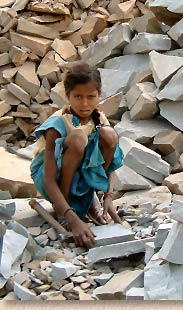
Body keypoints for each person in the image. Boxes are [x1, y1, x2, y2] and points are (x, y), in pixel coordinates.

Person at [30, 61, 124, 247]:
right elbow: (49, 180)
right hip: (52, 179)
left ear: (99, 95)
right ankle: (64, 204)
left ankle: (89, 198)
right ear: (67, 96)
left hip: (81, 173)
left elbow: (111, 162)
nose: (85, 103)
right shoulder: (56, 125)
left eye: (91, 96)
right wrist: (71, 218)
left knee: (109, 135)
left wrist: (108, 195)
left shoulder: (98, 118)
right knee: (78, 138)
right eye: (78, 96)